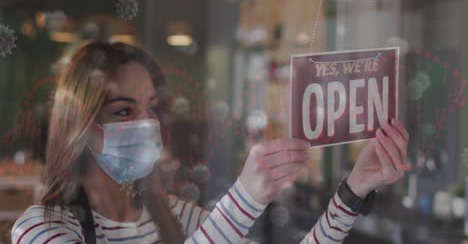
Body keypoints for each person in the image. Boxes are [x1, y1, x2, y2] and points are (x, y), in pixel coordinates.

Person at [11, 42, 410, 244]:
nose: (146, 125)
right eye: (122, 111)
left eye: (151, 109)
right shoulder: (42, 230)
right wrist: (245, 200)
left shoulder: (177, 219)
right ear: (81, 124)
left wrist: (352, 193)